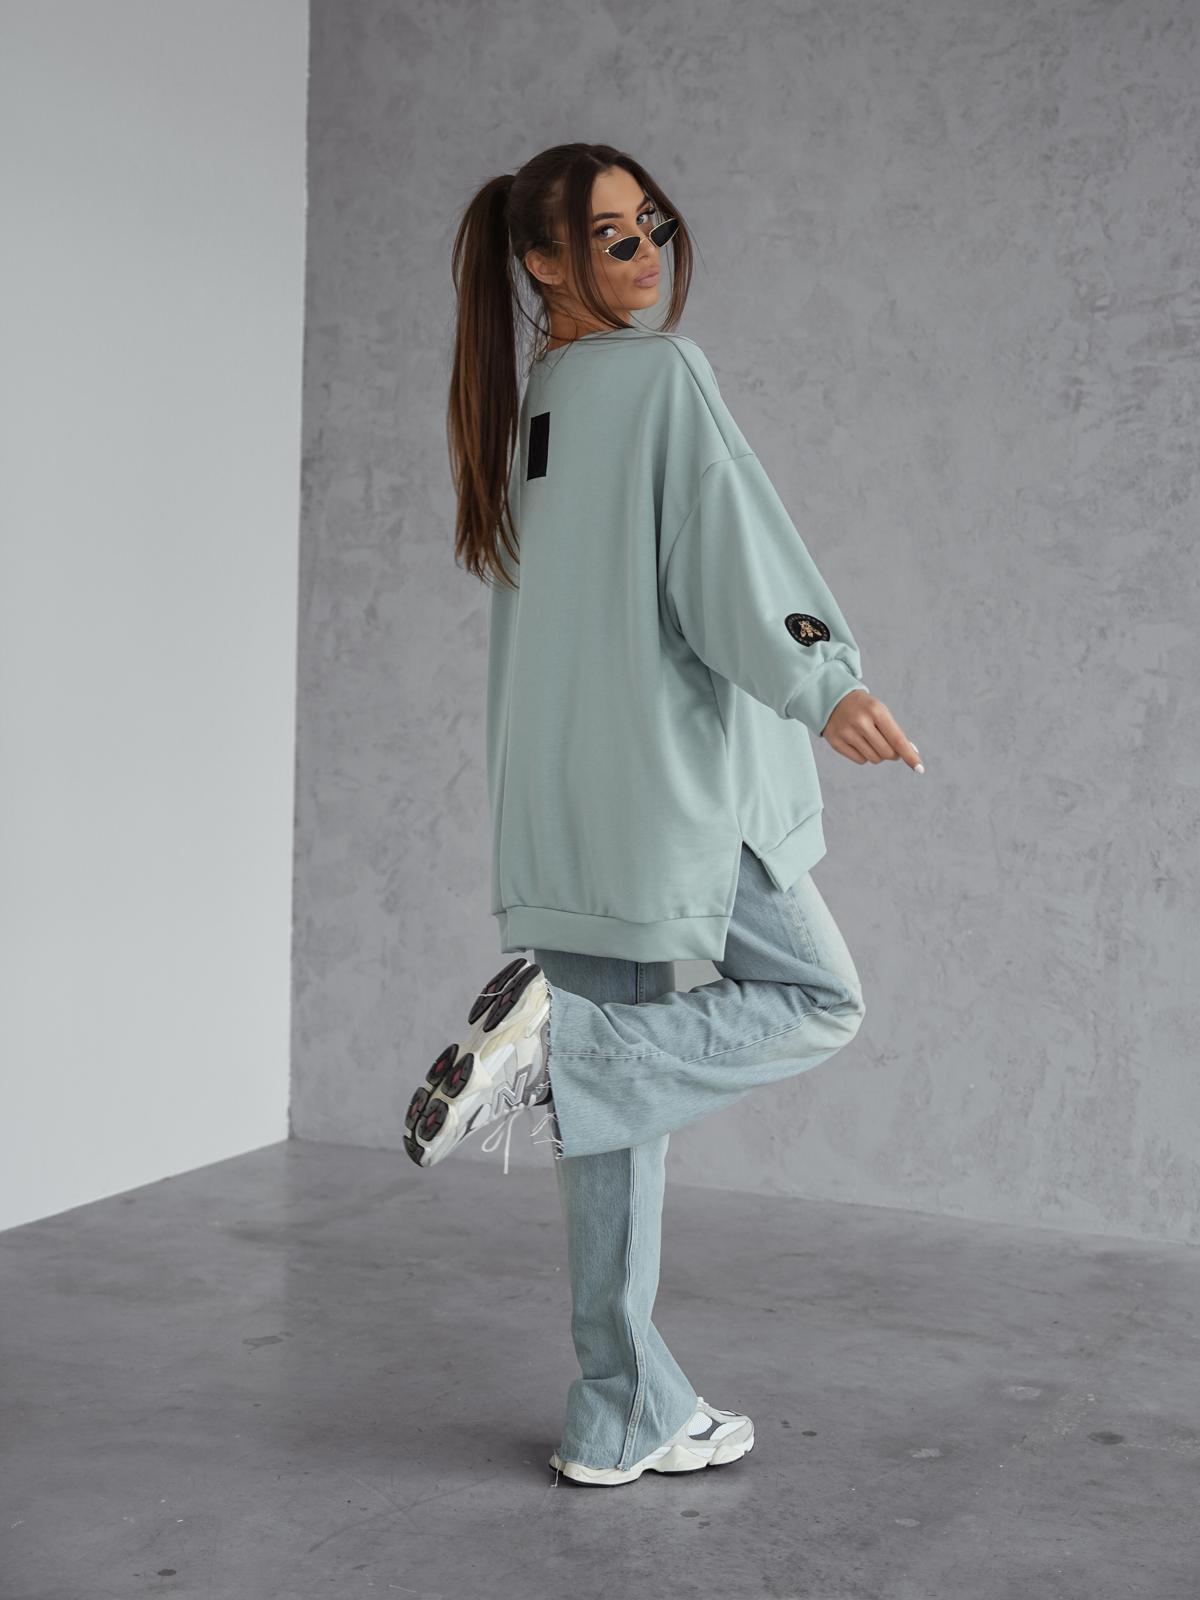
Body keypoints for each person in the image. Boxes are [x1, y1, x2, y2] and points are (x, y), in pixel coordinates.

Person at [403, 143, 923, 1487]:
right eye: (609, 237)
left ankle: (616, 1406)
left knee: (613, 1110)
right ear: (543, 262)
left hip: (560, 802)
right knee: (812, 1000)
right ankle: (560, 1045)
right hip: (671, 796)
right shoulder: (661, 377)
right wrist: (825, 681)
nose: (643, 256)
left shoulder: (530, 405)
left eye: (652, 228)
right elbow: (731, 555)